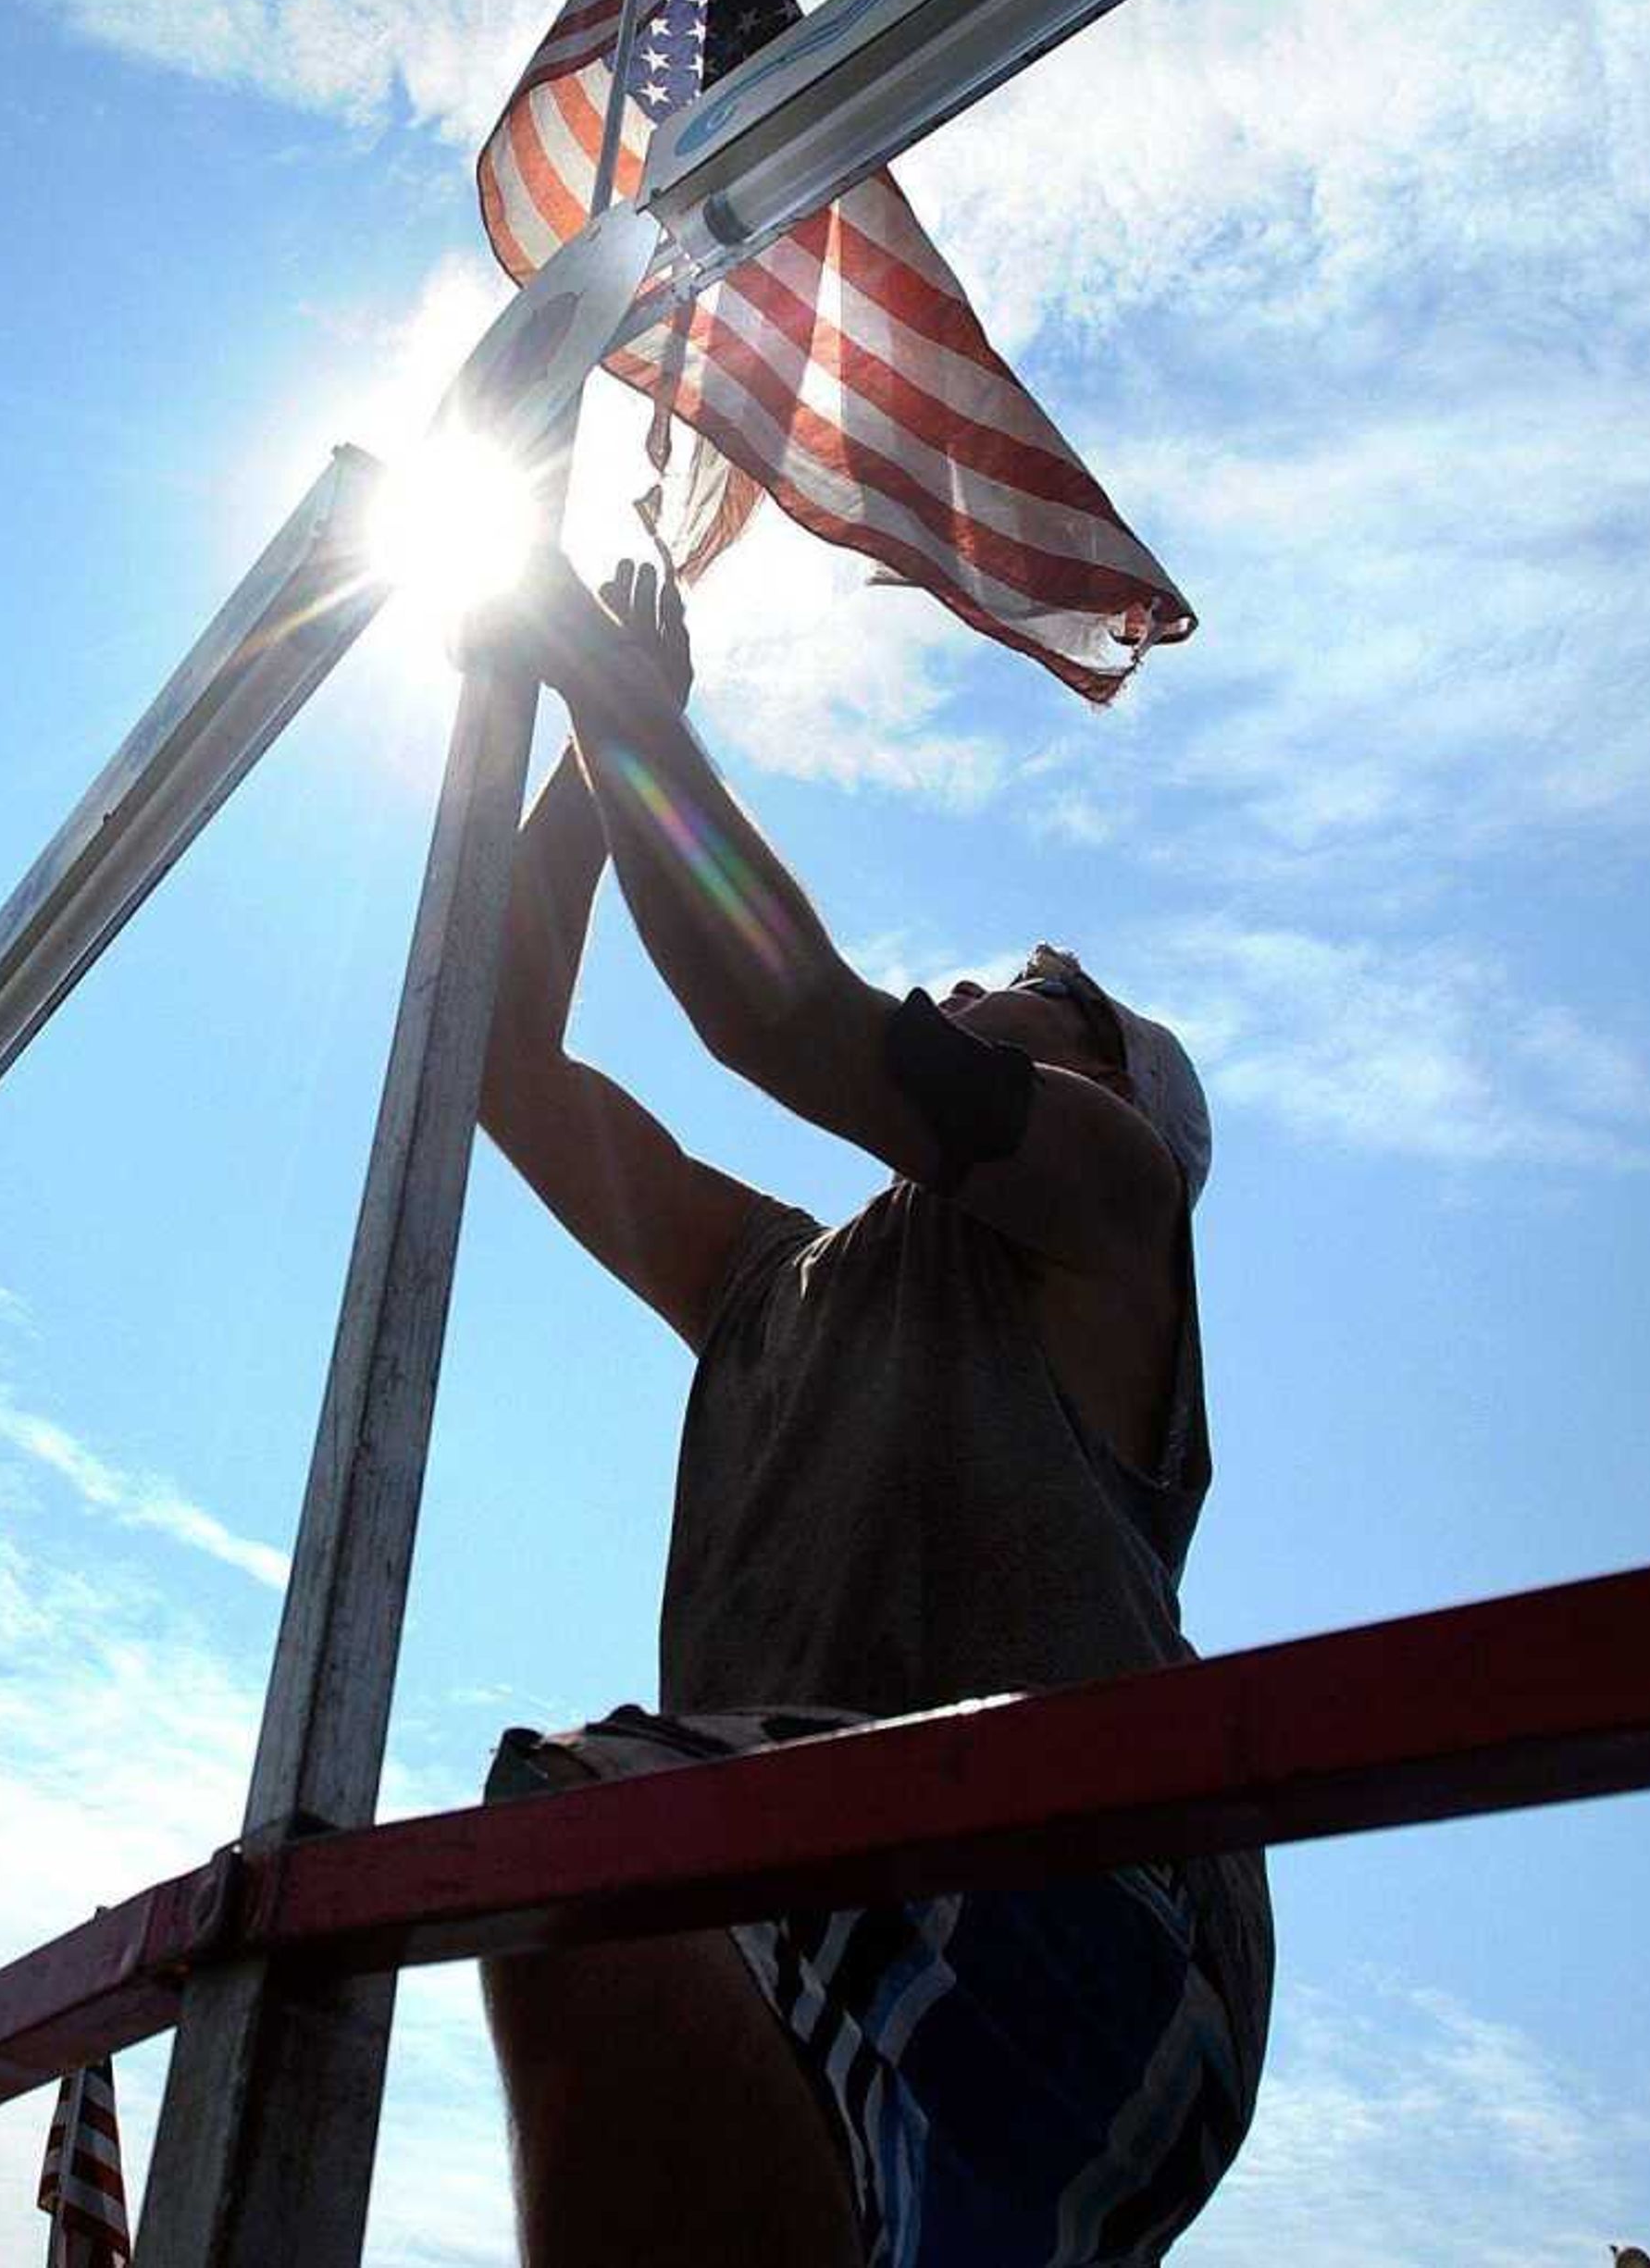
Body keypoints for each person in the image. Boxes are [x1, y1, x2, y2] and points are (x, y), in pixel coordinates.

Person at [465, 555, 1272, 2267]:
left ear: (1103, 1074)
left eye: (1035, 982)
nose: (983, 980)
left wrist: (628, 708)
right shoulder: (777, 1284)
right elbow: (503, 1063)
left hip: (1096, 1890)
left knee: (598, 1853)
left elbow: (780, 1015)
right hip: (822, 1889)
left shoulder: (1113, 1207)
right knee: (610, 1886)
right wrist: (595, 772)